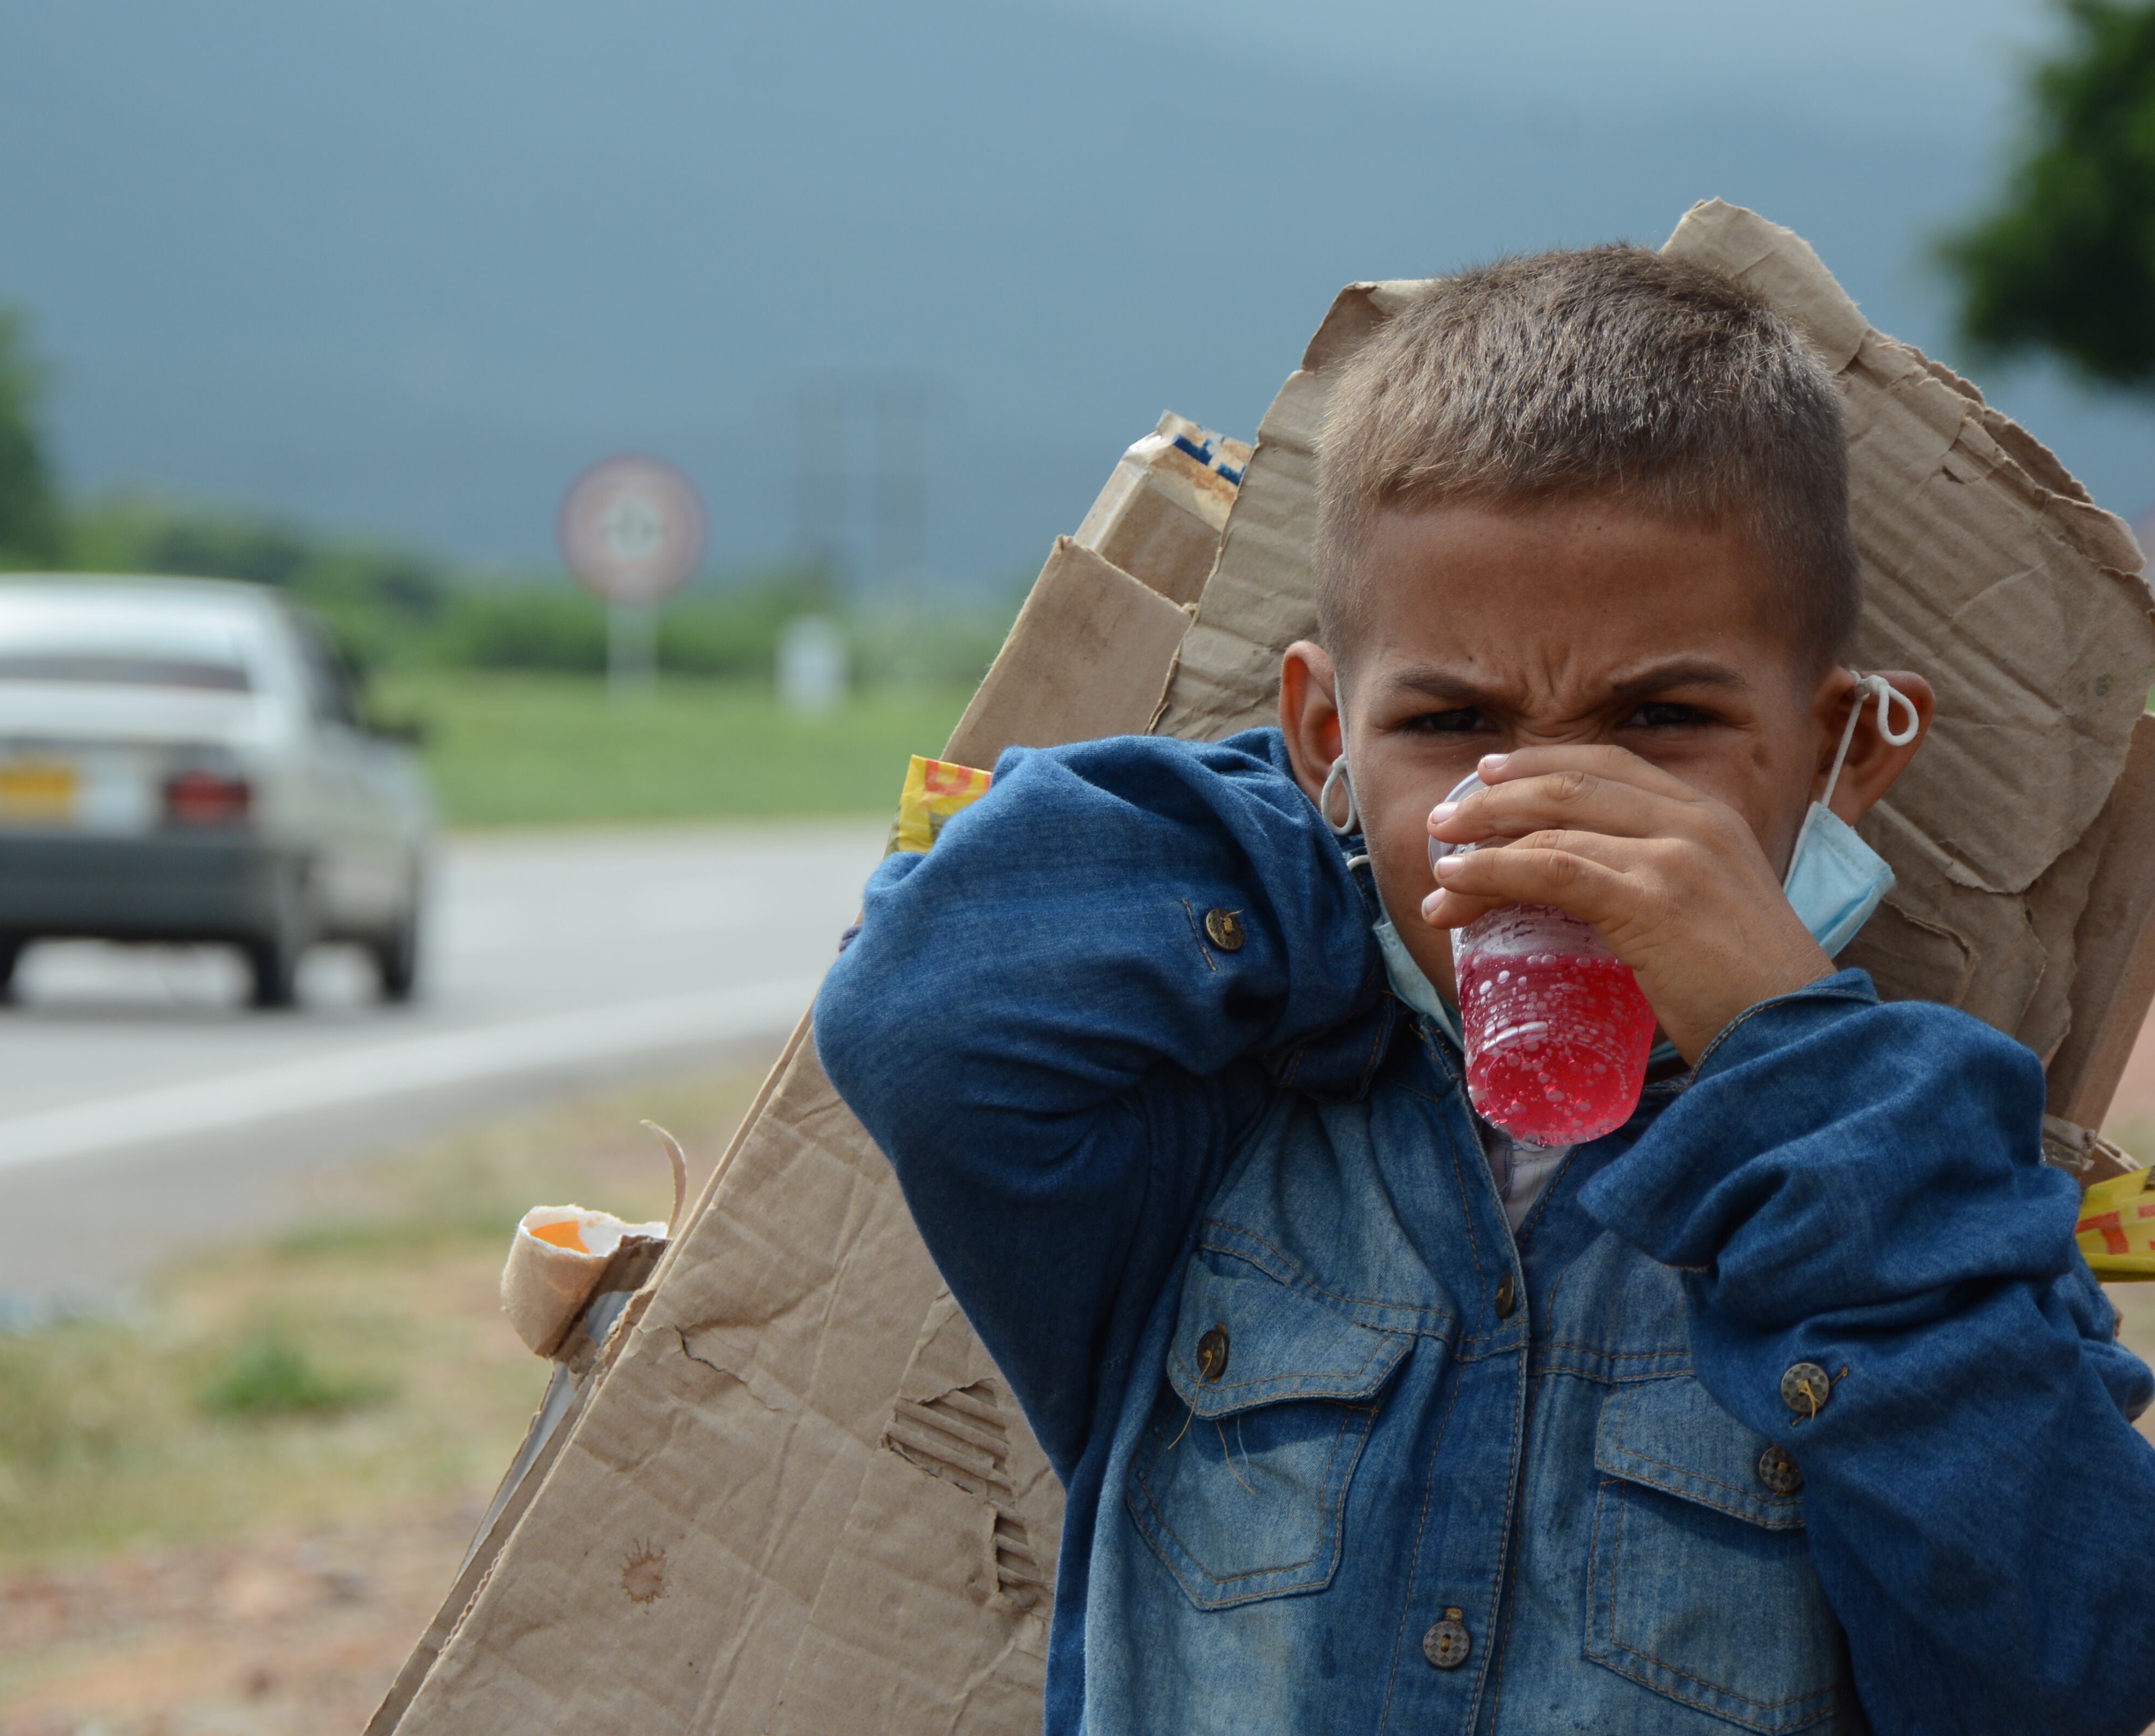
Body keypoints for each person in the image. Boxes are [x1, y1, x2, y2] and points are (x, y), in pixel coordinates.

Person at [811, 246, 2155, 1735]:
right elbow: (926, 1001)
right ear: (1326, 733)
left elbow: (2069, 1661)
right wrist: (1349, 866)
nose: (1556, 810)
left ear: (1845, 752)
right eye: (1453, 720)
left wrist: (1787, 1049)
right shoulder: (1212, 1132)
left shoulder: (1920, 1180)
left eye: (1661, 720)